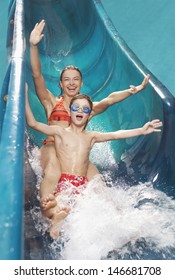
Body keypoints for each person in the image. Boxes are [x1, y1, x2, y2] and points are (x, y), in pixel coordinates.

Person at [29, 19, 150, 211]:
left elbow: (109, 100)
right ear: (60, 84)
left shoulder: (84, 108)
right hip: (52, 146)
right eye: (66, 80)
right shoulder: (51, 102)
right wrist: (33, 46)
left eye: (75, 79)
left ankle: (110, 214)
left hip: (74, 153)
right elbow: (37, 75)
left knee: (96, 180)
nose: (71, 83)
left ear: (81, 83)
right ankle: (49, 206)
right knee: (53, 168)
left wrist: (132, 91)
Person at [25, 92, 162, 238]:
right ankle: (55, 217)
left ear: (89, 115)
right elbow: (33, 123)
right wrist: (24, 97)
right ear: (69, 111)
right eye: (76, 107)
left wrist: (141, 130)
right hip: (65, 182)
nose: (80, 111)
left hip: (84, 184)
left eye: (85, 109)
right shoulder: (59, 132)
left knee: (92, 209)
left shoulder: (91, 137)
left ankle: (61, 213)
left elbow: (116, 134)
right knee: (49, 208)